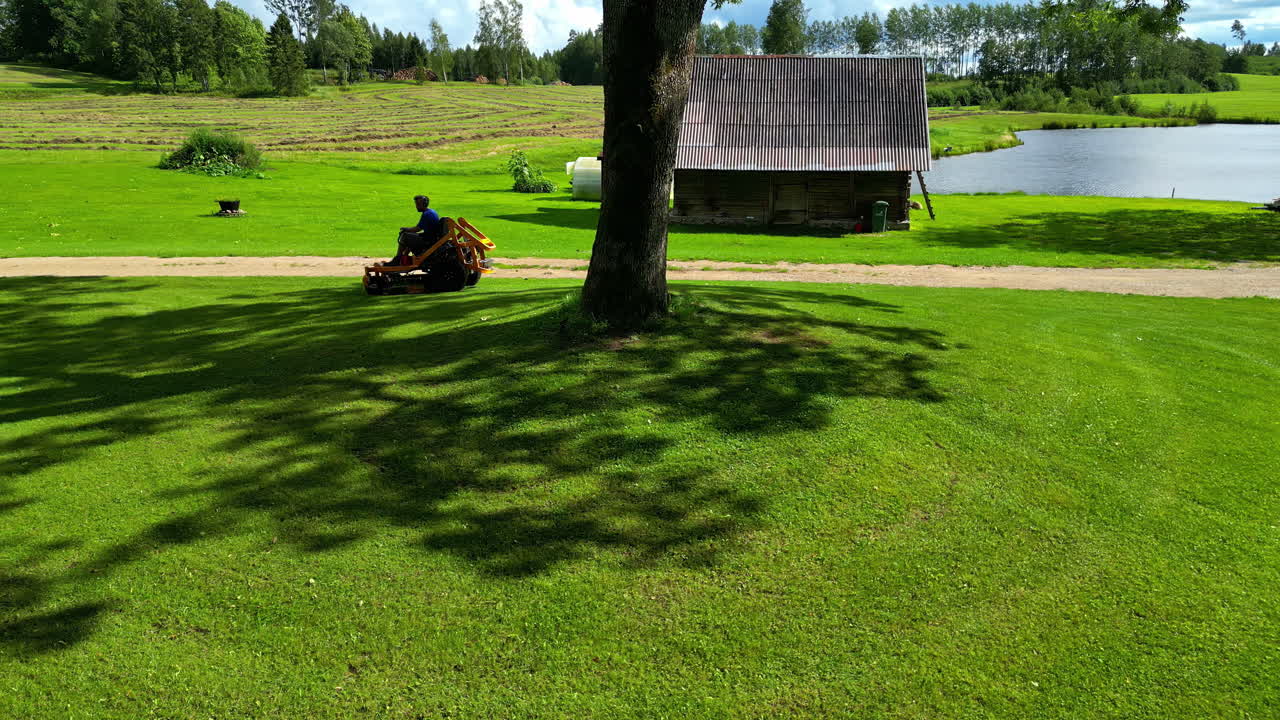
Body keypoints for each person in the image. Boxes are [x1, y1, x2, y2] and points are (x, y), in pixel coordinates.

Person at [387, 195, 443, 265]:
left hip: (429, 240)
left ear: (424, 204)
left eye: (418, 204)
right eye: (416, 204)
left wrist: (406, 229)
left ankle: (397, 260)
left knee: (405, 236)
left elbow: (417, 229)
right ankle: (404, 258)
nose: (416, 206)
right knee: (410, 237)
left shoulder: (427, 214)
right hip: (431, 238)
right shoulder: (431, 212)